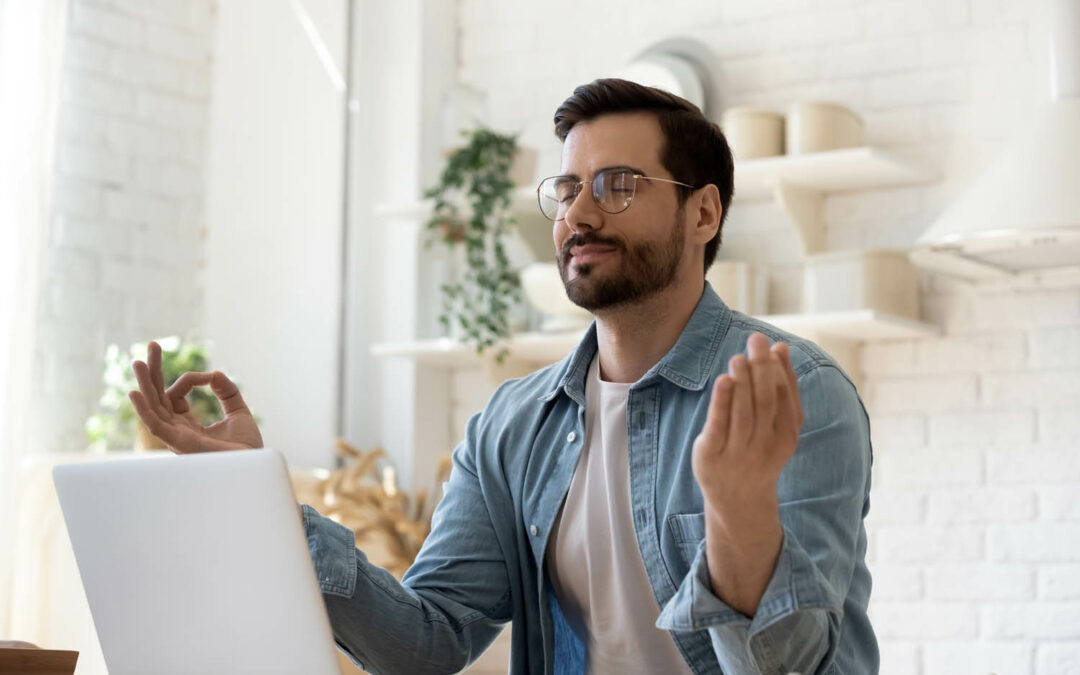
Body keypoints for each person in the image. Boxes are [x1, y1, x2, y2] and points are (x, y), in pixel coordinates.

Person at [130, 79, 878, 674]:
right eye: (567, 189)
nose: (579, 213)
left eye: (617, 184)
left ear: (704, 212)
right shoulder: (514, 424)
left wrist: (738, 514)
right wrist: (263, 495)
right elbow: (423, 644)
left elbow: (790, 668)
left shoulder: (796, 390)